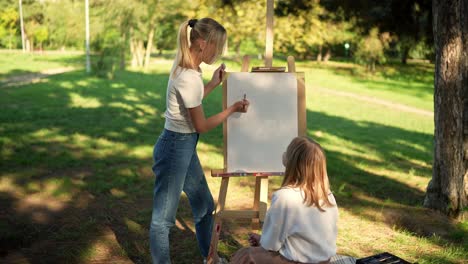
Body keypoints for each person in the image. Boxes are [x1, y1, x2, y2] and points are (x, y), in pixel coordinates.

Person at [149, 18, 249, 264]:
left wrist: (213, 84)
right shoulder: (188, 76)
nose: (219, 52)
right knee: (163, 220)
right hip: (175, 147)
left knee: (204, 204)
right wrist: (233, 109)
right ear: (202, 43)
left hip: (182, 145)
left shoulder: (189, 69)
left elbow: (191, 103)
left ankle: (210, 258)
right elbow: (201, 125)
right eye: (217, 46)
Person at [231, 137, 338, 264]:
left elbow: (270, 245)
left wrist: (263, 241)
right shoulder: (327, 195)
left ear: (291, 163)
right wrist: (263, 240)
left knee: (246, 255)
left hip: (301, 261)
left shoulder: (285, 197)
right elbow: (306, 239)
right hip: (324, 260)